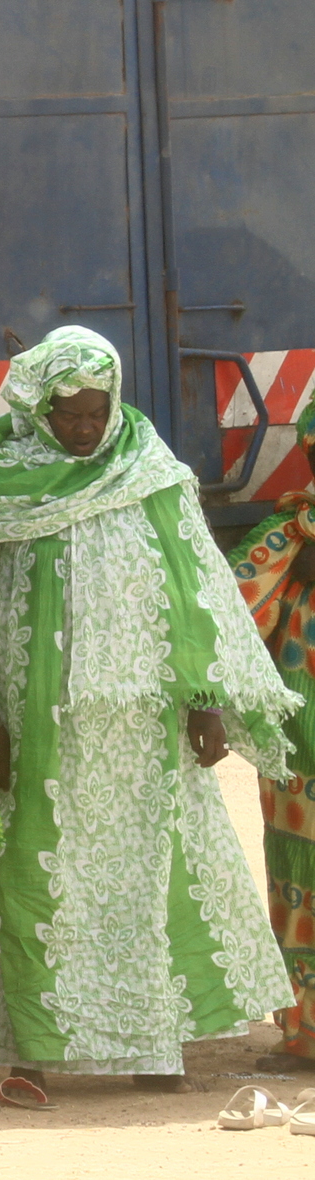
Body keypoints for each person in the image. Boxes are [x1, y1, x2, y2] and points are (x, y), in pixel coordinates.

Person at [0, 326, 296, 1090]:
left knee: (147, 874)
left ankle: (152, 1047)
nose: (84, 427)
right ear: (40, 406)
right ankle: (35, 1050)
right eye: (69, 412)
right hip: (41, 719)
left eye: (96, 411)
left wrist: (203, 701)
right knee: (39, 874)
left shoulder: (148, 467)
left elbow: (189, 588)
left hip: (142, 719)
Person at [232, 400, 315, 1074]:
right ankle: (307, 1034)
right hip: (299, 756)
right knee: (299, 885)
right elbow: (231, 621)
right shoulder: (286, 538)